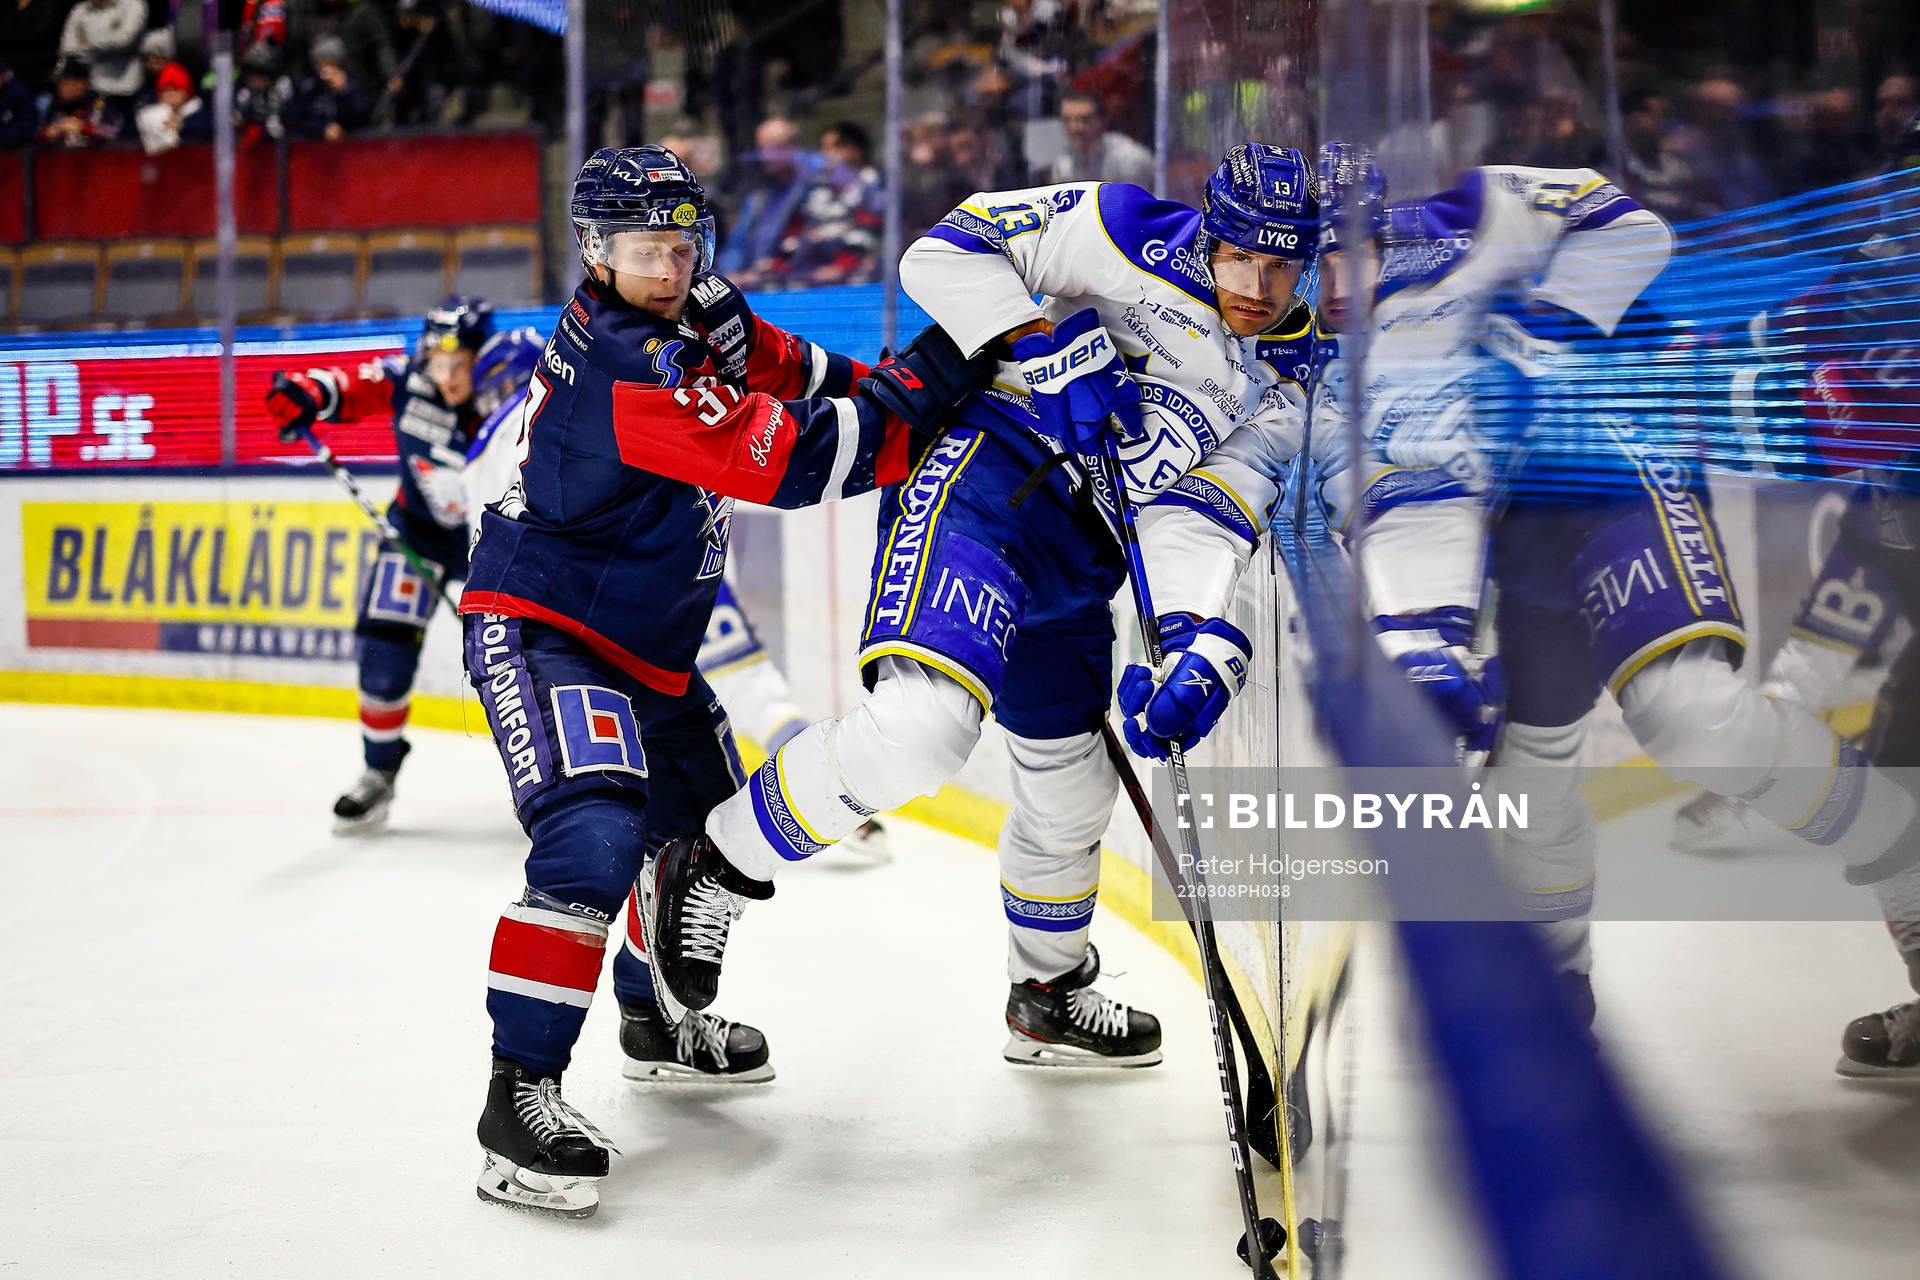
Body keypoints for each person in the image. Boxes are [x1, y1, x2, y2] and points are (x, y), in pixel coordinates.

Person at [641, 144, 1322, 1071]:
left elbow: (1205, 514)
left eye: (1283, 267)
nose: (1259, 285)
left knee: (1074, 783)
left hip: (1084, 556)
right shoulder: (1123, 230)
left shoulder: (1287, 374)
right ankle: (713, 862)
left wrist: (1195, 637)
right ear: (1213, 229)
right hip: (984, 483)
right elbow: (944, 251)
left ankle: (1048, 991)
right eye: (1244, 257)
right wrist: (1038, 343)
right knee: (923, 732)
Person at [455, 144, 990, 1216]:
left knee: (691, 838)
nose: (670, 262)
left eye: (683, 240)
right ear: (595, 252)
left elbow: (790, 369)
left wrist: (895, 384)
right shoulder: (625, 358)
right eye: (646, 246)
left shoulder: (691, 302)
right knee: (595, 835)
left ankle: (657, 1023)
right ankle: (518, 1098)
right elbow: (800, 463)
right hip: (547, 629)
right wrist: (948, 368)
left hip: (647, 647)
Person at [1294, 143, 1920, 1030]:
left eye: (1338, 249)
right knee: (1531, 774)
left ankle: (1906, 863)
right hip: (1495, 540)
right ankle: (1558, 1006)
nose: (1318, 280)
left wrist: (1559, 326)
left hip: (1603, 473)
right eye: (1291, 259)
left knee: (1692, 717)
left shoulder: (1456, 225)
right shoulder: (1261, 345)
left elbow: (1623, 220)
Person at [264, 296, 495, 835]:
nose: (449, 377)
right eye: (440, 363)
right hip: (416, 535)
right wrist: (304, 392)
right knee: (382, 651)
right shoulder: (406, 381)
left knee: (522, 668)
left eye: (461, 365)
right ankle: (378, 771)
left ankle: (557, 787)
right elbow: (345, 386)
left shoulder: (511, 397)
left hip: (496, 547)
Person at [1046, 89, 1153, 188]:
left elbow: (1136, 205)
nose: (1075, 127)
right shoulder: (1063, 165)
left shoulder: (1129, 159)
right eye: (1067, 120)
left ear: (1103, 121)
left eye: (1085, 119)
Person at [285, 35, 368, 141]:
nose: (326, 69)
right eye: (321, 64)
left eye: (331, 64)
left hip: (348, 146)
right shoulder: (308, 87)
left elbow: (362, 117)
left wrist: (344, 91)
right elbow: (292, 118)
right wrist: (321, 129)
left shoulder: (351, 85)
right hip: (313, 147)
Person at [37, 55, 120, 148]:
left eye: (64, 83)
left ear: (80, 83)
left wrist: (83, 127)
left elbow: (116, 133)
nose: (60, 88)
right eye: (58, 84)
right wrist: (47, 133)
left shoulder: (99, 104)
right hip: (62, 159)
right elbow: (33, 133)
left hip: (98, 159)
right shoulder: (54, 106)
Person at [135, 62, 210, 155]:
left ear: (186, 92)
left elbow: (208, 128)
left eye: (175, 89)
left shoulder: (197, 110)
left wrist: (182, 125)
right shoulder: (150, 114)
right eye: (165, 90)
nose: (170, 94)